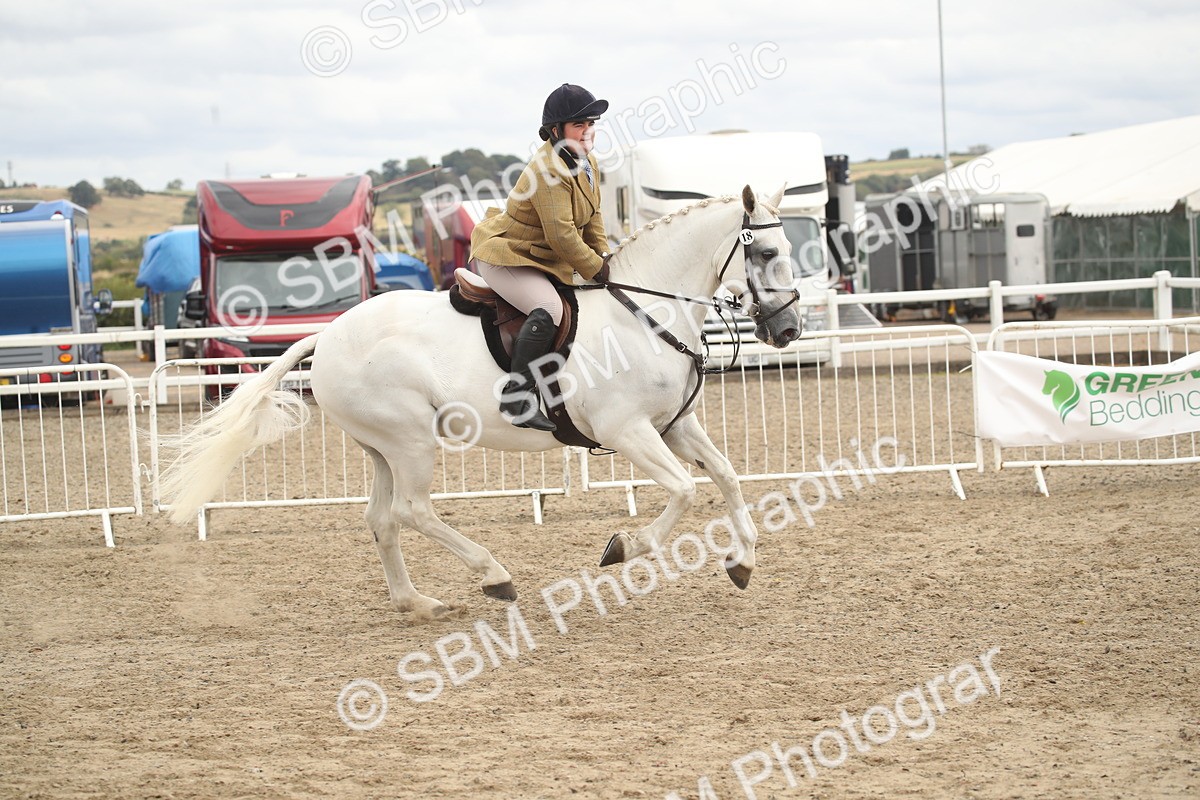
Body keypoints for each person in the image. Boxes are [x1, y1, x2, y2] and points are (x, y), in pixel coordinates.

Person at [470, 83, 610, 432]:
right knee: (549, 309)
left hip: (541, 258)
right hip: (508, 256)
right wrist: (595, 268)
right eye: (580, 124)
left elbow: (593, 217)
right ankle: (517, 397)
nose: (588, 130)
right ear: (555, 131)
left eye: (591, 123)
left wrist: (606, 256)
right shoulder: (548, 170)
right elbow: (561, 234)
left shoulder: (585, 160)